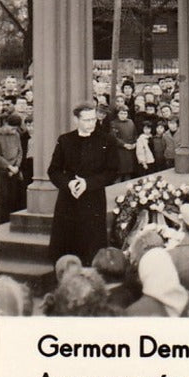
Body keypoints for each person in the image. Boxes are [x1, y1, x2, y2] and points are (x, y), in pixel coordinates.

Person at [48, 103, 119, 265]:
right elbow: (53, 170)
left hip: (93, 200)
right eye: (86, 120)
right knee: (66, 246)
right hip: (68, 201)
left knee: (91, 247)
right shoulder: (65, 140)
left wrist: (88, 183)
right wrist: (69, 184)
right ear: (76, 120)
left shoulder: (107, 140)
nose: (91, 124)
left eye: (93, 119)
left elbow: (112, 171)